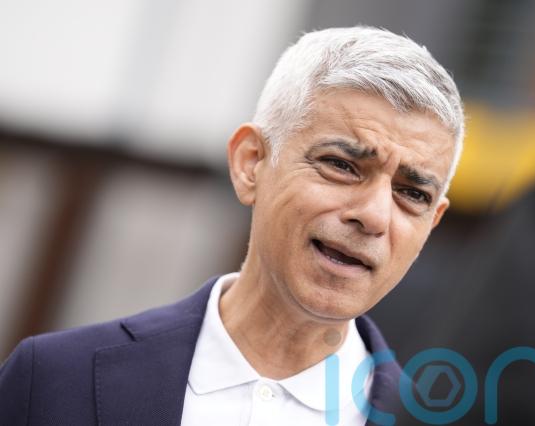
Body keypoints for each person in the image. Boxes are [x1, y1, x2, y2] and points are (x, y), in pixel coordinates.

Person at [0, 26, 464, 425]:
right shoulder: (54, 379)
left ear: (432, 223)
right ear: (251, 163)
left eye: (412, 194)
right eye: (342, 165)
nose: (375, 215)